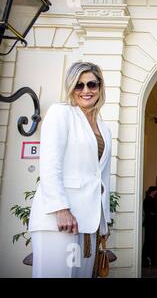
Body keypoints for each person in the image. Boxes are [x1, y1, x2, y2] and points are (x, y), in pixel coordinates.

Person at [28, 62, 112, 278]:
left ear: (100, 87)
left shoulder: (105, 128)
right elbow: (50, 164)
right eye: (79, 85)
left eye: (92, 84)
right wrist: (61, 209)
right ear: (71, 88)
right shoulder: (60, 113)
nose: (86, 91)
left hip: (89, 222)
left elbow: (102, 178)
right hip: (59, 221)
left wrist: (103, 221)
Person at [142, 186, 157, 267]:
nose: (156, 193)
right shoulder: (147, 200)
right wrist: (155, 212)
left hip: (155, 224)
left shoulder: (155, 200)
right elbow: (149, 212)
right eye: (155, 191)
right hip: (150, 224)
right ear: (152, 191)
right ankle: (145, 261)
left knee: (154, 243)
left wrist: (155, 213)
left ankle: (153, 261)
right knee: (148, 242)